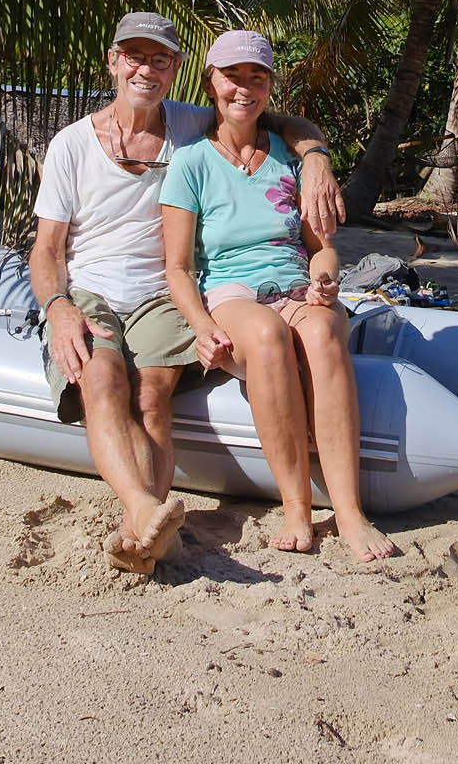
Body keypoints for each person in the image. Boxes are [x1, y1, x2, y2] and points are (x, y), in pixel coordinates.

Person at [28, 12, 343, 576]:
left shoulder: (192, 124)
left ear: (176, 69)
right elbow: (47, 249)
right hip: (92, 289)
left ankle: (144, 532)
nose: (145, 68)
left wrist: (316, 158)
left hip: (162, 294)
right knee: (102, 378)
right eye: (134, 56)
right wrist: (58, 309)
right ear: (113, 60)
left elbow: (278, 118)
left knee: (151, 395)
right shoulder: (71, 146)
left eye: (160, 58)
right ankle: (146, 513)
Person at [160, 30, 400, 562]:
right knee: (268, 336)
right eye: (232, 76)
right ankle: (296, 508)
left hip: (292, 281)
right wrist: (203, 327)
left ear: (270, 86)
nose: (244, 88)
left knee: (321, 329)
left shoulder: (290, 157)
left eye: (257, 77)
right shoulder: (191, 162)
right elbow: (177, 267)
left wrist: (326, 277)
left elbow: (322, 249)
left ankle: (350, 511)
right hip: (232, 290)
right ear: (210, 82)